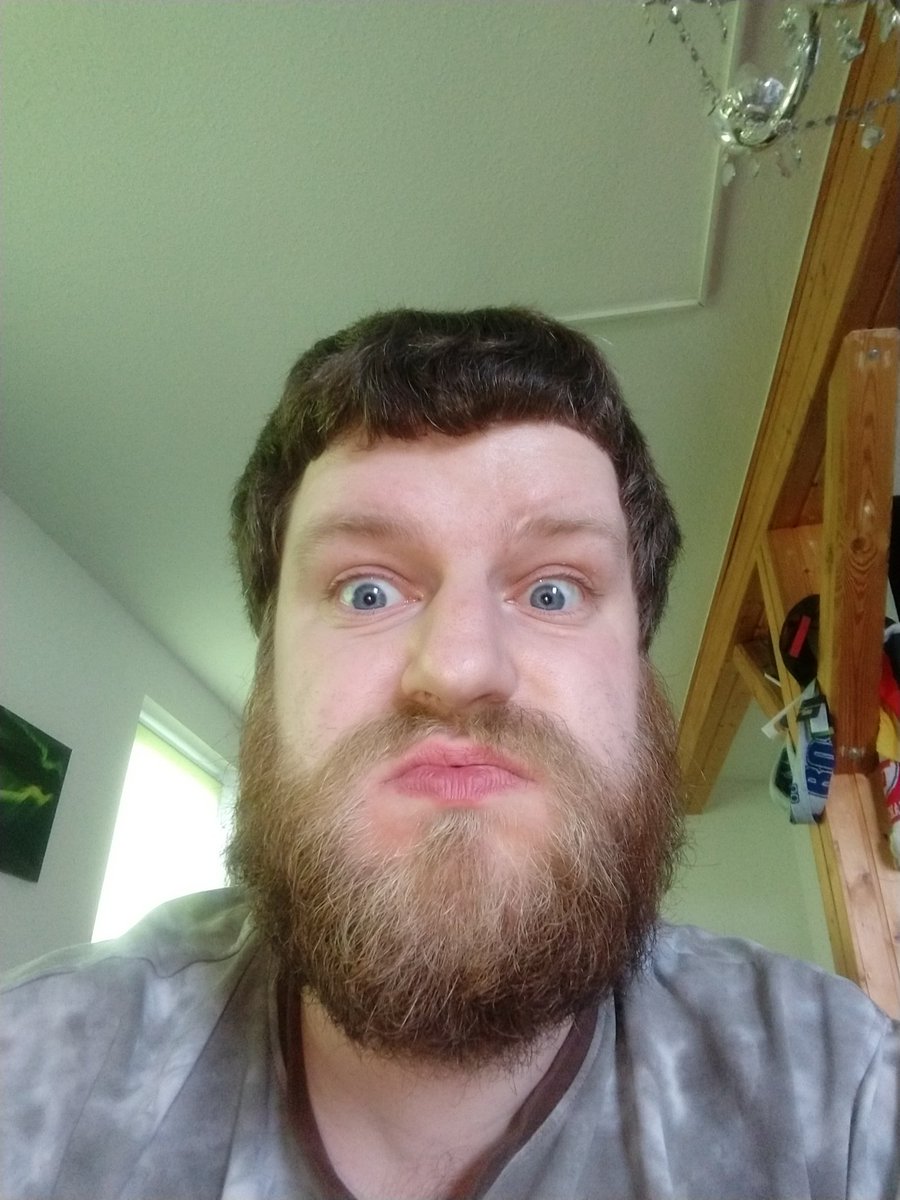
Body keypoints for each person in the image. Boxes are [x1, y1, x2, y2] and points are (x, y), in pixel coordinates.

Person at [1, 307, 897, 1200]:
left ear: (638, 674)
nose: (462, 668)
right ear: (268, 668)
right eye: (366, 590)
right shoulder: (35, 1070)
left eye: (553, 591)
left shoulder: (844, 1098)